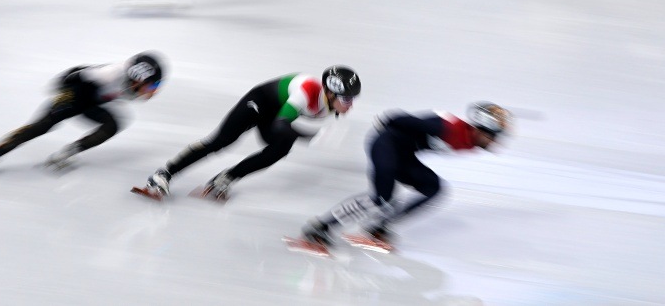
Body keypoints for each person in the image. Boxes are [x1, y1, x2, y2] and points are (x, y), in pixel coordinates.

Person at [295, 102, 512, 252]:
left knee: (433, 188)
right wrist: (389, 124)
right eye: (494, 137)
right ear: (482, 130)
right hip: (385, 145)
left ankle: (378, 227)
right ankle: (319, 228)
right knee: (381, 197)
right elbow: (395, 118)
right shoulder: (449, 129)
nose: (495, 143)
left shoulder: (471, 141)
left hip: (403, 154)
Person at [136, 66, 361, 202]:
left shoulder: (328, 108)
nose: (350, 106)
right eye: (346, 100)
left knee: (280, 148)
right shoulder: (308, 90)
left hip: (275, 112)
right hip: (257, 103)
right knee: (222, 141)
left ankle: (227, 178)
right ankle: (164, 174)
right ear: (330, 93)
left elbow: (281, 127)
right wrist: (311, 137)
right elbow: (282, 124)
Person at [0, 52, 166, 179]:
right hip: (73, 95)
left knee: (112, 125)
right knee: (41, 126)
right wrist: (62, 95)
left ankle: (68, 152)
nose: (155, 91)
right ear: (138, 77)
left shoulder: (131, 86)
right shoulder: (110, 73)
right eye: (153, 84)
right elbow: (73, 74)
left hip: (91, 101)